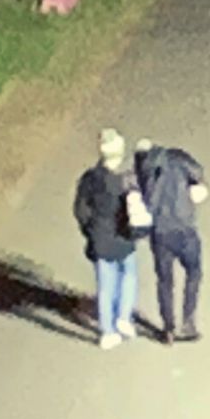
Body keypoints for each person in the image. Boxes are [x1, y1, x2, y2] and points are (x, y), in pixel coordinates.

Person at [73, 128, 144, 348]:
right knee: (129, 275)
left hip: (101, 239)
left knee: (105, 286)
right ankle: (123, 316)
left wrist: (90, 230)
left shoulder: (89, 179)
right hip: (124, 236)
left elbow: (81, 209)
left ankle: (107, 330)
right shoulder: (126, 181)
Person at [134, 137, 208, 343]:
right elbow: (198, 171)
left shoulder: (144, 169)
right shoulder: (178, 159)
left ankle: (168, 327)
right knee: (194, 272)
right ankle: (188, 321)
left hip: (160, 232)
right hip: (184, 228)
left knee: (165, 281)